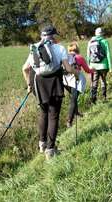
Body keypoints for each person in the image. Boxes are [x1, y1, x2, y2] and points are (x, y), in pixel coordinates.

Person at [22, 25, 79, 160]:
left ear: (42, 36)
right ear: (53, 36)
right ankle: (51, 150)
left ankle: (42, 144)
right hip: (54, 83)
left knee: (43, 113)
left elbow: (25, 69)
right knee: (53, 115)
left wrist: (29, 85)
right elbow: (68, 68)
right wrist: (76, 73)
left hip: (39, 83)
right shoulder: (59, 48)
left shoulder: (34, 48)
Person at [63, 42, 94, 128]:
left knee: (73, 97)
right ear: (77, 49)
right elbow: (87, 70)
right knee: (73, 99)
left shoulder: (65, 57)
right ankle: (69, 121)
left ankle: (76, 112)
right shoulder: (79, 58)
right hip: (75, 80)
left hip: (65, 81)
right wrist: (93, 70)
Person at [87, 27, 112, 104]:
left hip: (93, 65)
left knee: (94, 82)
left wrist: (88, 65)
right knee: (103, 80)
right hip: (103, 65)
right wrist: (110, 67)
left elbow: (88, 55)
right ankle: (104, 97)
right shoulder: (105, 41)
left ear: (95, 33)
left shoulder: (90, 42)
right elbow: (108, 54)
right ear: (102, 33)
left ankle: (93, 99)